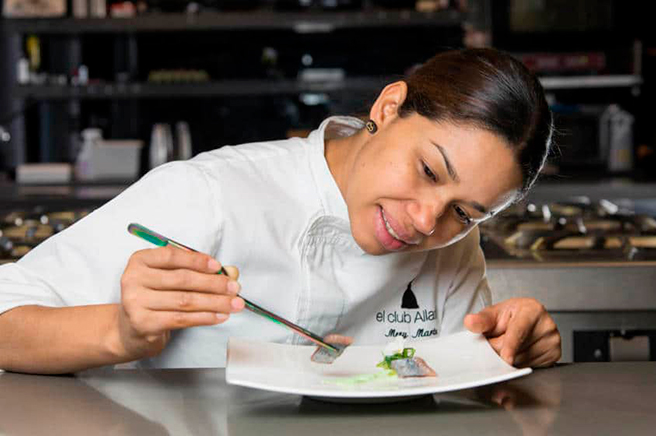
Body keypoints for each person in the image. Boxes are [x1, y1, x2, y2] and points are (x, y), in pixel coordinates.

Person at [0, 48, 561, 374]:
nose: (425, 221)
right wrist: (121, 333)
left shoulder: (451, 244)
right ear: (388, 108)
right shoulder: (212, 194)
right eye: (429, 170)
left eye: (465, 213)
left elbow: (445, 376)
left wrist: (507, 351)